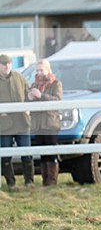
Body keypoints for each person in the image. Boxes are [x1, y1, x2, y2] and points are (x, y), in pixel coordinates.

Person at [27, 60, 63, 186]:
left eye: (41, 70)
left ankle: (52, 181)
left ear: (48, 70)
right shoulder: (33, 85)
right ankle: (45, 181)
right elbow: (27, 103)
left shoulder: (56, 84)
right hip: (37, 124)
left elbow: (57, 100)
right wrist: (29, 98)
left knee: (51, 152)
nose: (39, 73)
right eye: (37, 70)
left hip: (50, 123)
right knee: (42, 154)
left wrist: (41, 96)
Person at [0, 54, 33, 187]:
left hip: (22, 122)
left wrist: (28, 107)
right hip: (4, 124)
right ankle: (10, 183)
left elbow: (28, 93)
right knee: (6, 154)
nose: (6, 66)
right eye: (3, 64)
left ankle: (29, 181)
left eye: (8, 63)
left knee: (26, 153)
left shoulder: (20, 77)